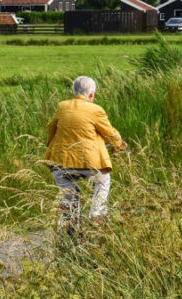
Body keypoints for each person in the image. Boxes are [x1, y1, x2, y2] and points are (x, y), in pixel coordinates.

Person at [45, 76, 126, 233]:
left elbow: (51, 129)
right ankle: (96, 215)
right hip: (88, 163)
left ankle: (69, 222)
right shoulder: (95, 110)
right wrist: (119, 145)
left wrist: (52, 146)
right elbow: (110, 133)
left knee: (68, 194)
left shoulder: (62, 106)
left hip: (60, 163)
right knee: (103, 181)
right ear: (91, 95)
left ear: (74, 92)